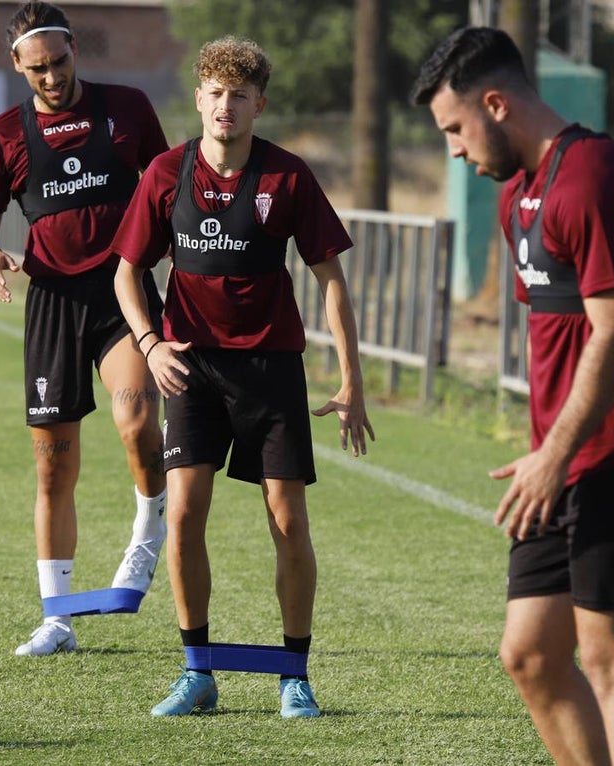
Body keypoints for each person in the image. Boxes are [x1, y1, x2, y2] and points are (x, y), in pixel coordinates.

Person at [412, 26, 614, 765]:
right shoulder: (519, 197)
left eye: (455, 128)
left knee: (613, 661)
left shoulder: (593, 176)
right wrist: (549, 455)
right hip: (561, 462)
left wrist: (556, 454)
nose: (453, 149)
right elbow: (557, 339)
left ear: (497, 103)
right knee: (531, 655)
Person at [110, 36, 373, 718]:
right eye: (215, 93)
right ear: (199, 98)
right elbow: (127, 273)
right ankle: (197, 672)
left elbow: (331, 280)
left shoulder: (287, 177)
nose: (226, 106)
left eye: (240, 95)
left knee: (288, 522)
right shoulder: (167, 173)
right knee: (187, 515)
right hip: (190, 371)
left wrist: (352, 380)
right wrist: (151, 343)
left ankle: (294, 674)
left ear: (260, 103)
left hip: (271, 369)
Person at [0, 0, 170, 657]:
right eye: (37, 70)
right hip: (52, 301)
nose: (52, 78)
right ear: (17, 66)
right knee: (53, 469)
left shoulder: (129, 109)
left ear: (74, 49)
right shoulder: (2, 135)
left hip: (123, 293)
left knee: (137, 419)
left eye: (59, 63)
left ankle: (148, 530)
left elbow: (170, 188)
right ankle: (58, 618)